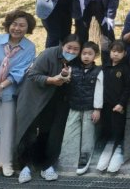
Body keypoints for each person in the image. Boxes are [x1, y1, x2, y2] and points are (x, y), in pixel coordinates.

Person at [15, 34, 82, 183]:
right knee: (29, 130)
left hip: (58, 100)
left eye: (75, 49)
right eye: (69, 47)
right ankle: (25, 166)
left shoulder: (79, 60)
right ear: (62, 45)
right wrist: (51, 80)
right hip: (34, 97)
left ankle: (47, 165)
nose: (71, 51)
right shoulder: (48, 54)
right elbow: (32, 74)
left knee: (51, 134)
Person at [0, 10, 36, 181]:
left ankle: (6, 163)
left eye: (22, 25)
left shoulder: (29, 47)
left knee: (8, 128)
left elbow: (20, 72)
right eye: (14, 24)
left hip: (9, 92)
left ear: (28, 28)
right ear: (9, 25)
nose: (17, 28)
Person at [61, 41, 103, 176]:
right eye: (84, 53)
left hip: (90, 108)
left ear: (95, 56)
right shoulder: (73, 68)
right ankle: (69, 157)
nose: (86, 56)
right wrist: (64, 74)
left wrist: (97, 109)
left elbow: (99, 91)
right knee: (70, 131)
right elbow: (66, 80)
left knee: (88, 134)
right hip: (74, 106)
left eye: (90, 54)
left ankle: (85, 157)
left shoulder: (99, 71)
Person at [95, 40, 130, 173]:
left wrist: (121, 103)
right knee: (107, 128)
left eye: (119, 52)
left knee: (118, 129)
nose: (116, 54)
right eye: (114, 51)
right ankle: (107, 150)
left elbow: (128, 88)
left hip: (118, 106)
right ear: (110, 52)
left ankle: (118, 150)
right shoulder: (105, 67)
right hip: (105, 105)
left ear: (125, 53)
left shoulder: (125, 69)